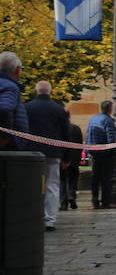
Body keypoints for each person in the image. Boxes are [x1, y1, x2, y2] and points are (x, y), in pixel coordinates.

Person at [24, 81, 69, 232]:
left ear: (36, 91)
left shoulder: (27, 107)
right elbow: (65, 134)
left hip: (31, 153)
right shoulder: (58, 109)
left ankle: (33, 217)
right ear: (50, 92)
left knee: (31, 186)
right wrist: (67, 157)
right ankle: (50, 219)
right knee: (52, 186)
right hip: (53, 152)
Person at [87, 100, 116, 208]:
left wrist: (88, 149)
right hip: (105, 153)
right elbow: (111, 138)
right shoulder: (108, 120)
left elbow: (88, 134)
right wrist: (114, 150)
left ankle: (94, 201)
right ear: (110, 109)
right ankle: (106, 201)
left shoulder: (93, 119)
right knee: (106, 178)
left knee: (95, 178)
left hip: (94, 151)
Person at [0, 52, 27, 152]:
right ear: (17, 70)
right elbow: (4, 109)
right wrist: (5, 137)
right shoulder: (10, 87)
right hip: (8, 148)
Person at [61, 110, 83, 210]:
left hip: (63, 158)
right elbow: (80, 146)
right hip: (75, 159)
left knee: (62, 180)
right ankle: (72, 196)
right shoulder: (76, 128)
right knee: (73, 178)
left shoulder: (60, 129)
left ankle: (63, 203)